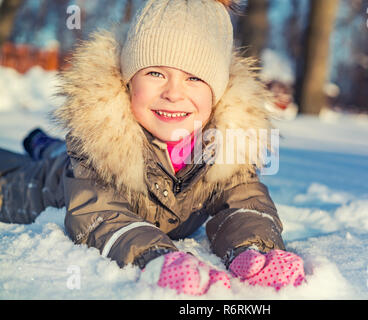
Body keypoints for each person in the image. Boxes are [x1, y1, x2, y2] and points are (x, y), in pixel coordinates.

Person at [0, 0, 304, 295]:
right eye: (156, 73)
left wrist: (253, 248)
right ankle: (44, 147)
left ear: (218, 93)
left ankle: (42, 143)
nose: (173, 93)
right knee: (26, 172)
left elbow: (244, 201)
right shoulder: (97, 143)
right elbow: (100, 215)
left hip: (66, 159)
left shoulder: (225, 148)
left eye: (194, 78)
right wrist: (158, 257)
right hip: (52, 181)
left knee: (54, 150)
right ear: (129, 80)